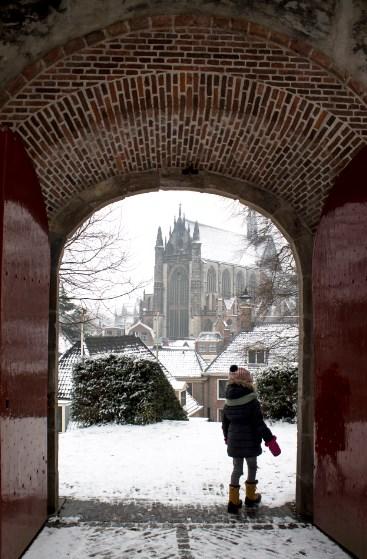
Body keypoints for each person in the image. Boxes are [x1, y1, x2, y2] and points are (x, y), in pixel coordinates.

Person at [222, 364, 281, 513]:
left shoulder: (228, 401)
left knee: (236, 469)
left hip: (234, 441)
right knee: (252, 466)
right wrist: (270, 440)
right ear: (247, 382)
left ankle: (233, 502)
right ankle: (250, 497)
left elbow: (225, 423)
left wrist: (227, 438)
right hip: (251, 441)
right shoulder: (252, 401)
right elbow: (258, 424)